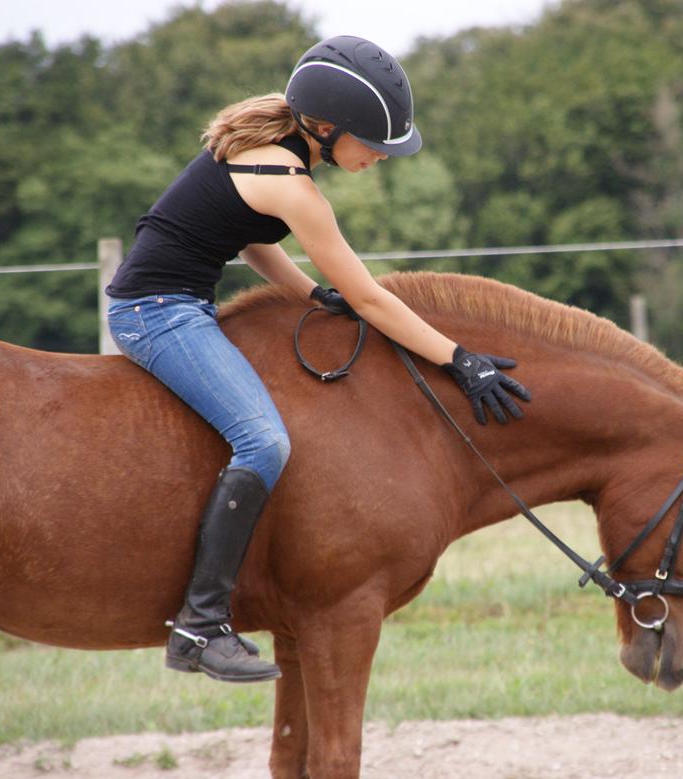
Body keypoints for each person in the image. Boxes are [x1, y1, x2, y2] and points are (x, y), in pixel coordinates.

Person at [105, 35, 531, 683]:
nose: (381, 158)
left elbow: (244, 236)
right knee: (263, 442)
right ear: (327, 129)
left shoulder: (271, 149)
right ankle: (200, 624)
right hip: (155, 313)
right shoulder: (293, 186)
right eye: (375, 145)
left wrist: (308, 293)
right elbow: (371, 297)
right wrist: (460, 358)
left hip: (175, 299)